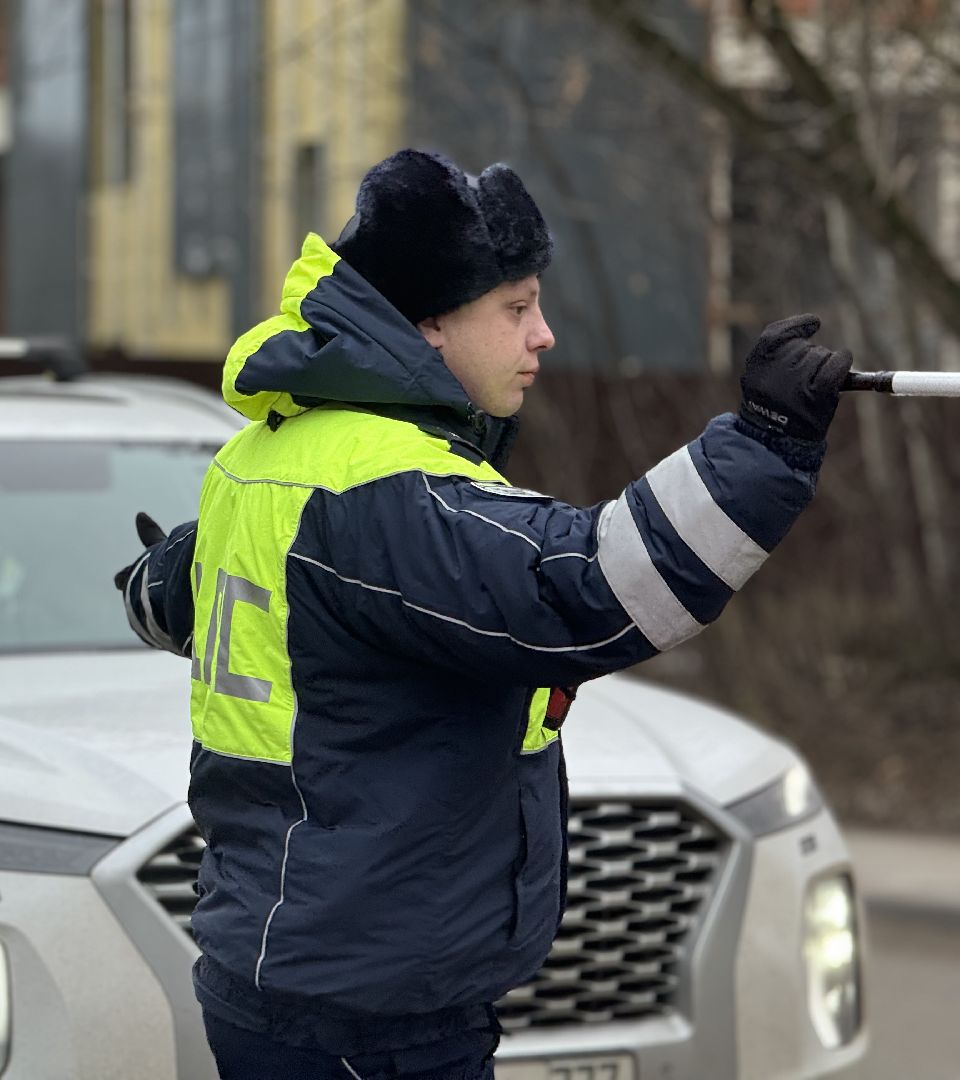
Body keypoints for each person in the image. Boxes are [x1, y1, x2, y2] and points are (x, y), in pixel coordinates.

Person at [116, 148, 851, 1080]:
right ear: (427, 323)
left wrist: (150, 581)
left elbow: (185, 595)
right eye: (515, 308)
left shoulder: (269, 458)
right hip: (369, 1022)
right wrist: (765, 445)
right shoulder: (388, 491)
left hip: (282, 977)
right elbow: (593, 587)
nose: (543, 334)